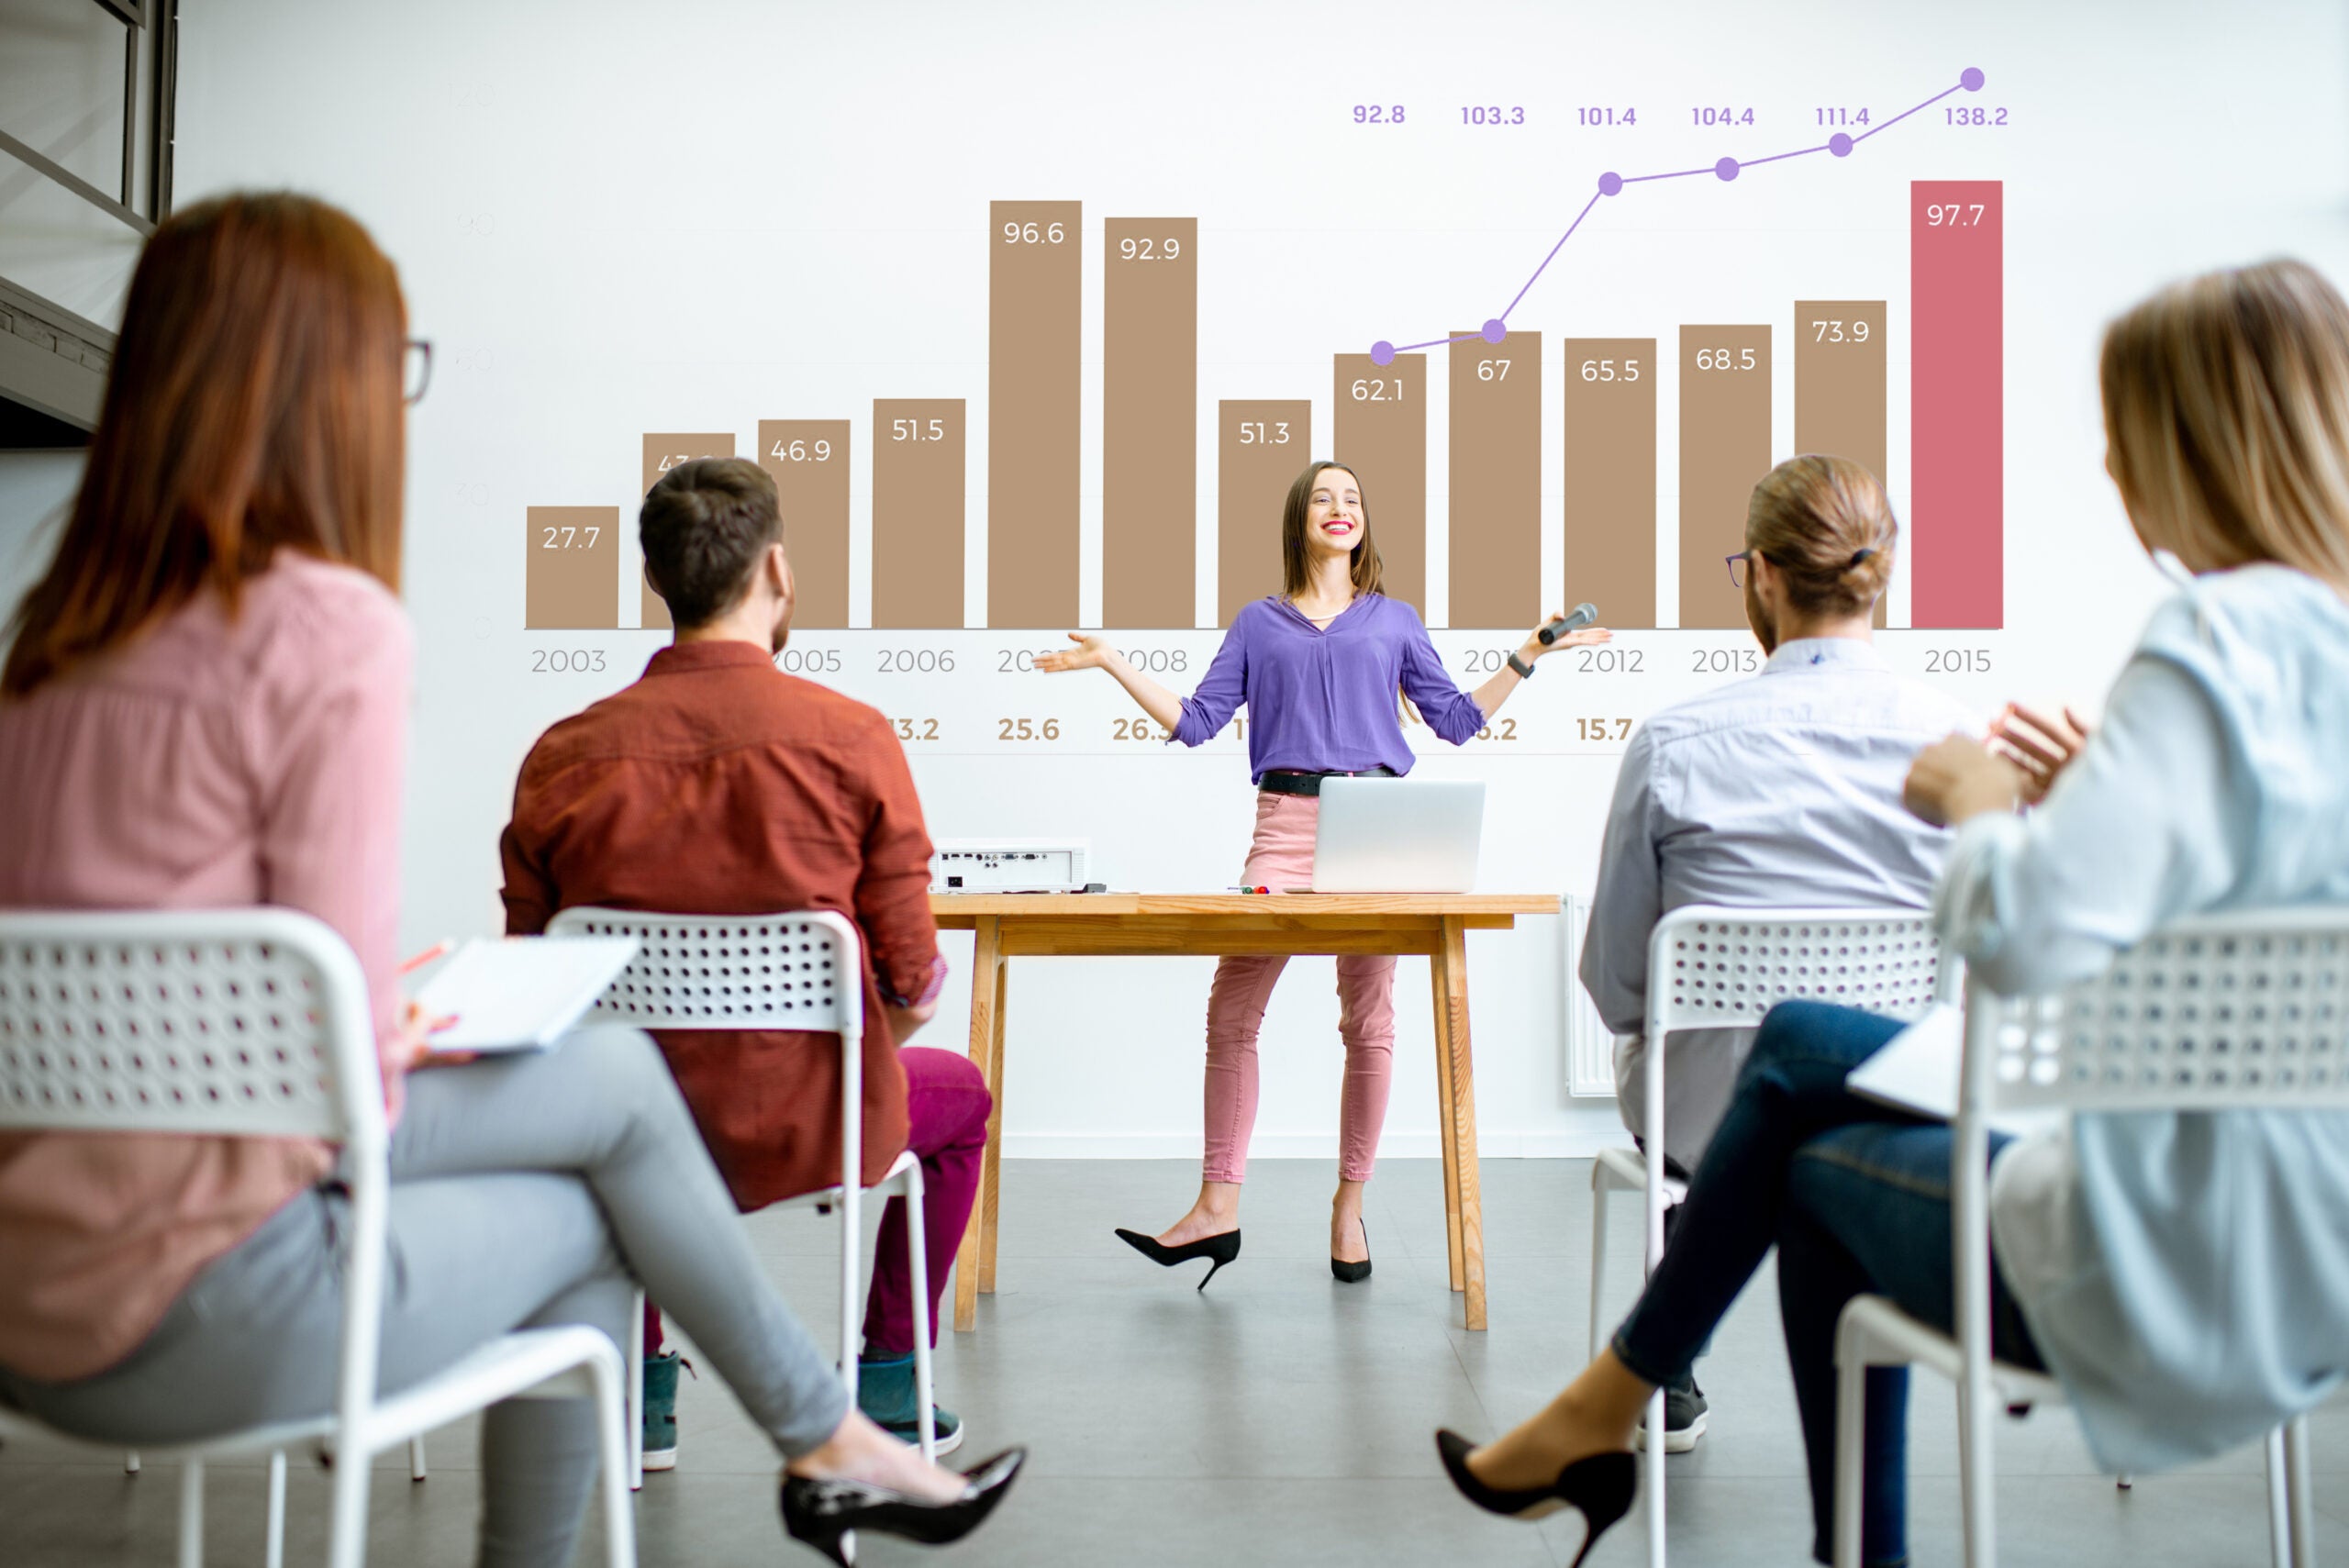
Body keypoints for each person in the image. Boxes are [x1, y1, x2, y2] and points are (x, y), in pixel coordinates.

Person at [0, 193, 1019, 1568]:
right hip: (211, 1292)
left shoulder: (45, 647)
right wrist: (383, 1029)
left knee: (611, 1086)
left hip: (29, 1275)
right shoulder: (325, 628)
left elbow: (522, 959)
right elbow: (342, 1079)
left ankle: (810, 1434)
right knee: (615, 1146)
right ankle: (845, 1422)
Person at [1436, 256, 2349, 1568]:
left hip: (2169, 1251)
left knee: (1800, 1127)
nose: (2109, 471)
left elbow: (2026, 948)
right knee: (1808, 1056)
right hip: (2316, 1236)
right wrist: (2085, 799)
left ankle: (1636, 1415)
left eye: (2124, 435)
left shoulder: (2209, 643)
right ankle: (1626, 1421)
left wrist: (1985, 803)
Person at [500, 455, 987, 1462]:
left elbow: (534, 985)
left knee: (602, 1106)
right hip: (812, 1125)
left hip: (624, 1129)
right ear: (778, 569)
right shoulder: (851, 737)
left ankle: (639, 1398)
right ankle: (890, 1384)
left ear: (657, 578)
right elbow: (915, 982)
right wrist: (851, 1058)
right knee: (963, 1097)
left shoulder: (562, 754)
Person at [1038, 459, 1610, 1282]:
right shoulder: (1258, 624)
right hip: (1284, 826)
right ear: (1299, 522)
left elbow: (1453, 721)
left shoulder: (1395, 620)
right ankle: (1216, 1207)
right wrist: (1112, 662)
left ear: (1364, 522)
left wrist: (1528, 654)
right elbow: (1198, 724)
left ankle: (1349, 1205)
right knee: (1233, 1009)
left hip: (1378, 828)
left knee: (1369, 1022)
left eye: (1352, 498)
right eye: (1322, 498)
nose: (1339, 508)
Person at [1580, 451, 1976, 1449]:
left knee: (1670, 1065)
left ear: (1759, 572)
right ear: (1880, 571)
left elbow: (1619, 986)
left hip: (1702, 1119)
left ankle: (1660, 1367)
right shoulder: (1953, 742)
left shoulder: (1674, 741)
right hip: (1893, 1106)